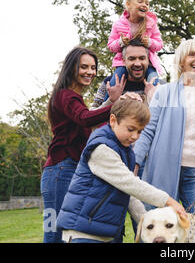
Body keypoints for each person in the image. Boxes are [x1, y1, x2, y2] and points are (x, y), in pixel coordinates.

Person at [56, 98, 186, 243]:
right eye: (131, 129)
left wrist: (149, 222)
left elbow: (129, 194)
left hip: (107, 233)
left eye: (140, 131)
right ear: (113, 120)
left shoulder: (125, 151)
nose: (135, 136)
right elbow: (130, 183)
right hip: (84, 233)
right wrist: (168, 201)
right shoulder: (101, 148)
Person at [133, 39, 195, 214]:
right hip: (163, 169)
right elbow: (147, 131)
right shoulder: (164, 92)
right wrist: (135, 162)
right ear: (181, 61)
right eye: (192, 54)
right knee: (159, 228)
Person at [41, 46, 125, 243]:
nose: (90, 72)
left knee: (64, 231)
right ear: (72, 68)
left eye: (93, 68)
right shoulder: (66, 95)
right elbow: (85, 118)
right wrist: (118, 105)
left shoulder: (71, 98)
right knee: (54, 232)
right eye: (84, 67)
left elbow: (88, 120)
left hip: (64, 170)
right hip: (60, 172)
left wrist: (111, 102)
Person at [106, 0, 164, 100]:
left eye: (147, 3)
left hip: (148, 63)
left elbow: (159, 44)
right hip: (123, 63)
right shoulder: (119, 24)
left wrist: (150, 42)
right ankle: (106, 105)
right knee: (114, 83)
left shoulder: (151, 24)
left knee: (155, 82)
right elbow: (110, 45)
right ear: (128, 5)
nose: (145, 5)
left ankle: (158, 105)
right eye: (140, 1)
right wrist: (120, 42)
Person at [92, 38, 161, 110]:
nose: (137, 64)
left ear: (148, 60)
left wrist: (151, 100)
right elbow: (90, 118)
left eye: (142, 58)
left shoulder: (159, 86)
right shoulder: (109, 84)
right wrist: (111, 101)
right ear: (124, 61)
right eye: (132, 59)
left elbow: (167, 118)